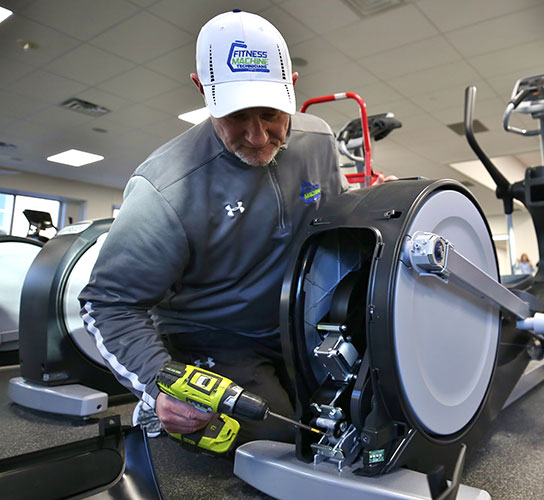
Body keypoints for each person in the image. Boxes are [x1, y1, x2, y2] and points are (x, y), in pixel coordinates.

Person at [79, 10, 346, 444]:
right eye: (237, 116)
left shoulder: (318, 140)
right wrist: (156, 383)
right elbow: (108, 305)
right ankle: (159, 415)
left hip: (300, 322)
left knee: (359, 413)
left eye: (271, 114)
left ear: (292, 86)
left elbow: (335, 221)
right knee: (274, 443)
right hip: (214, 336)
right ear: (202, 89)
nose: (258, 136)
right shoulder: (164, 187)